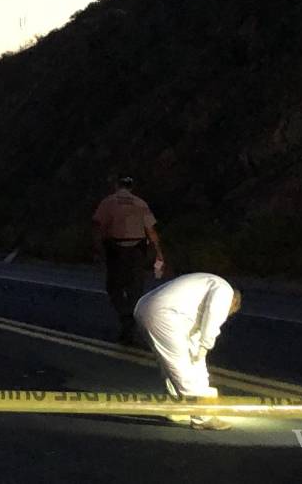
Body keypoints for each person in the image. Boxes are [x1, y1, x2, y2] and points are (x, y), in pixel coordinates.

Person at [133, 272, 240, 430]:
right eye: (229, 313)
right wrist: (206, 344)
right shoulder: (225, 291)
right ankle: (202, 416)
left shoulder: (205, 286)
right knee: (180, 366)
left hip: (146, 307)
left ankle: (178, 407)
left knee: (170, 363)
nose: (227, 316)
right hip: (164, 314)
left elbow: (196, 354)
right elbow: (213, 317)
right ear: (234, 303)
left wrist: (201, 352)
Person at [92, 175, 166, 342]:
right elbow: (151, 231)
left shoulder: (108, 202)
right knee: (135, 287)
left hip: (116, 249)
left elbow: (97, 228)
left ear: (117, 185)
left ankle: (125, 315)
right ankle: (131, 316)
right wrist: (158, 253)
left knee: (114, 287)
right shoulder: (140, 203)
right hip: (137, 250)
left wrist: (98, 250)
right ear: (131, 187)